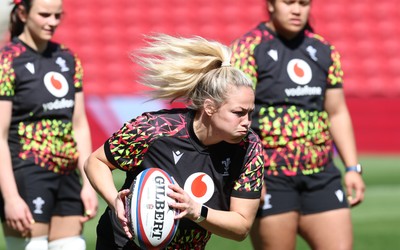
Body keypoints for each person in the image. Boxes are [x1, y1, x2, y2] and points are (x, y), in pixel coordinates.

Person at [84, 33, 265, 250]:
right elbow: (96, 161)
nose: (247, 122)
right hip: (123, 244)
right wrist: (115, 201)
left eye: (250, 113)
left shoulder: (250, 148)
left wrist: (196, 211)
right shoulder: (156, 129)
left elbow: (241, 226)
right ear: (209, 108)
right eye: (239, 112)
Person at [230, 0, 366, 249]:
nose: (296, 10)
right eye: (288, 2)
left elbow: (336, 112)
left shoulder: (325, 50)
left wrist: (352, 167)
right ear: (270, 4)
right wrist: (250, 174)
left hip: (321, 175)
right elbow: (236, 115)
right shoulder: (248, 49)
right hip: (271, 175)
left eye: (304, 3)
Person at [0, 0, 98, 249]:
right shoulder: (7, 61)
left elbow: (79, 125)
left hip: (67, 177)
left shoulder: (68, 58)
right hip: (26, 174)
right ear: (22, 13)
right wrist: (10, 197)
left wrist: (88, 183)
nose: (52, 22)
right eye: (44, 14)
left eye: (57, 15)